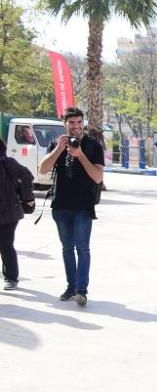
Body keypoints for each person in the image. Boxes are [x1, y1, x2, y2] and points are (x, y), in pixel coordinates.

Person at [39, 106, 105, 307]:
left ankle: (82, 290)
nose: (76, 127)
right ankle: (71, 286)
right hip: (61, 205)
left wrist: (80, 155)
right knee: (67, 248)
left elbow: (97, 177)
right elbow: (42, 169)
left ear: (83, 123)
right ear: (65, 124)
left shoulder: (93, 146)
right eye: (72, 123)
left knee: (82, 248)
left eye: (79, 123)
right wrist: (59, 149)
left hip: (84, 206)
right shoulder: (56, 143)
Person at [0, 139, 35, 291]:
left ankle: (11, 278)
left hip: (9, 213)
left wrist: (27, 197)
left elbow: (27, 175)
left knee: (5, 245)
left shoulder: (8, 163)